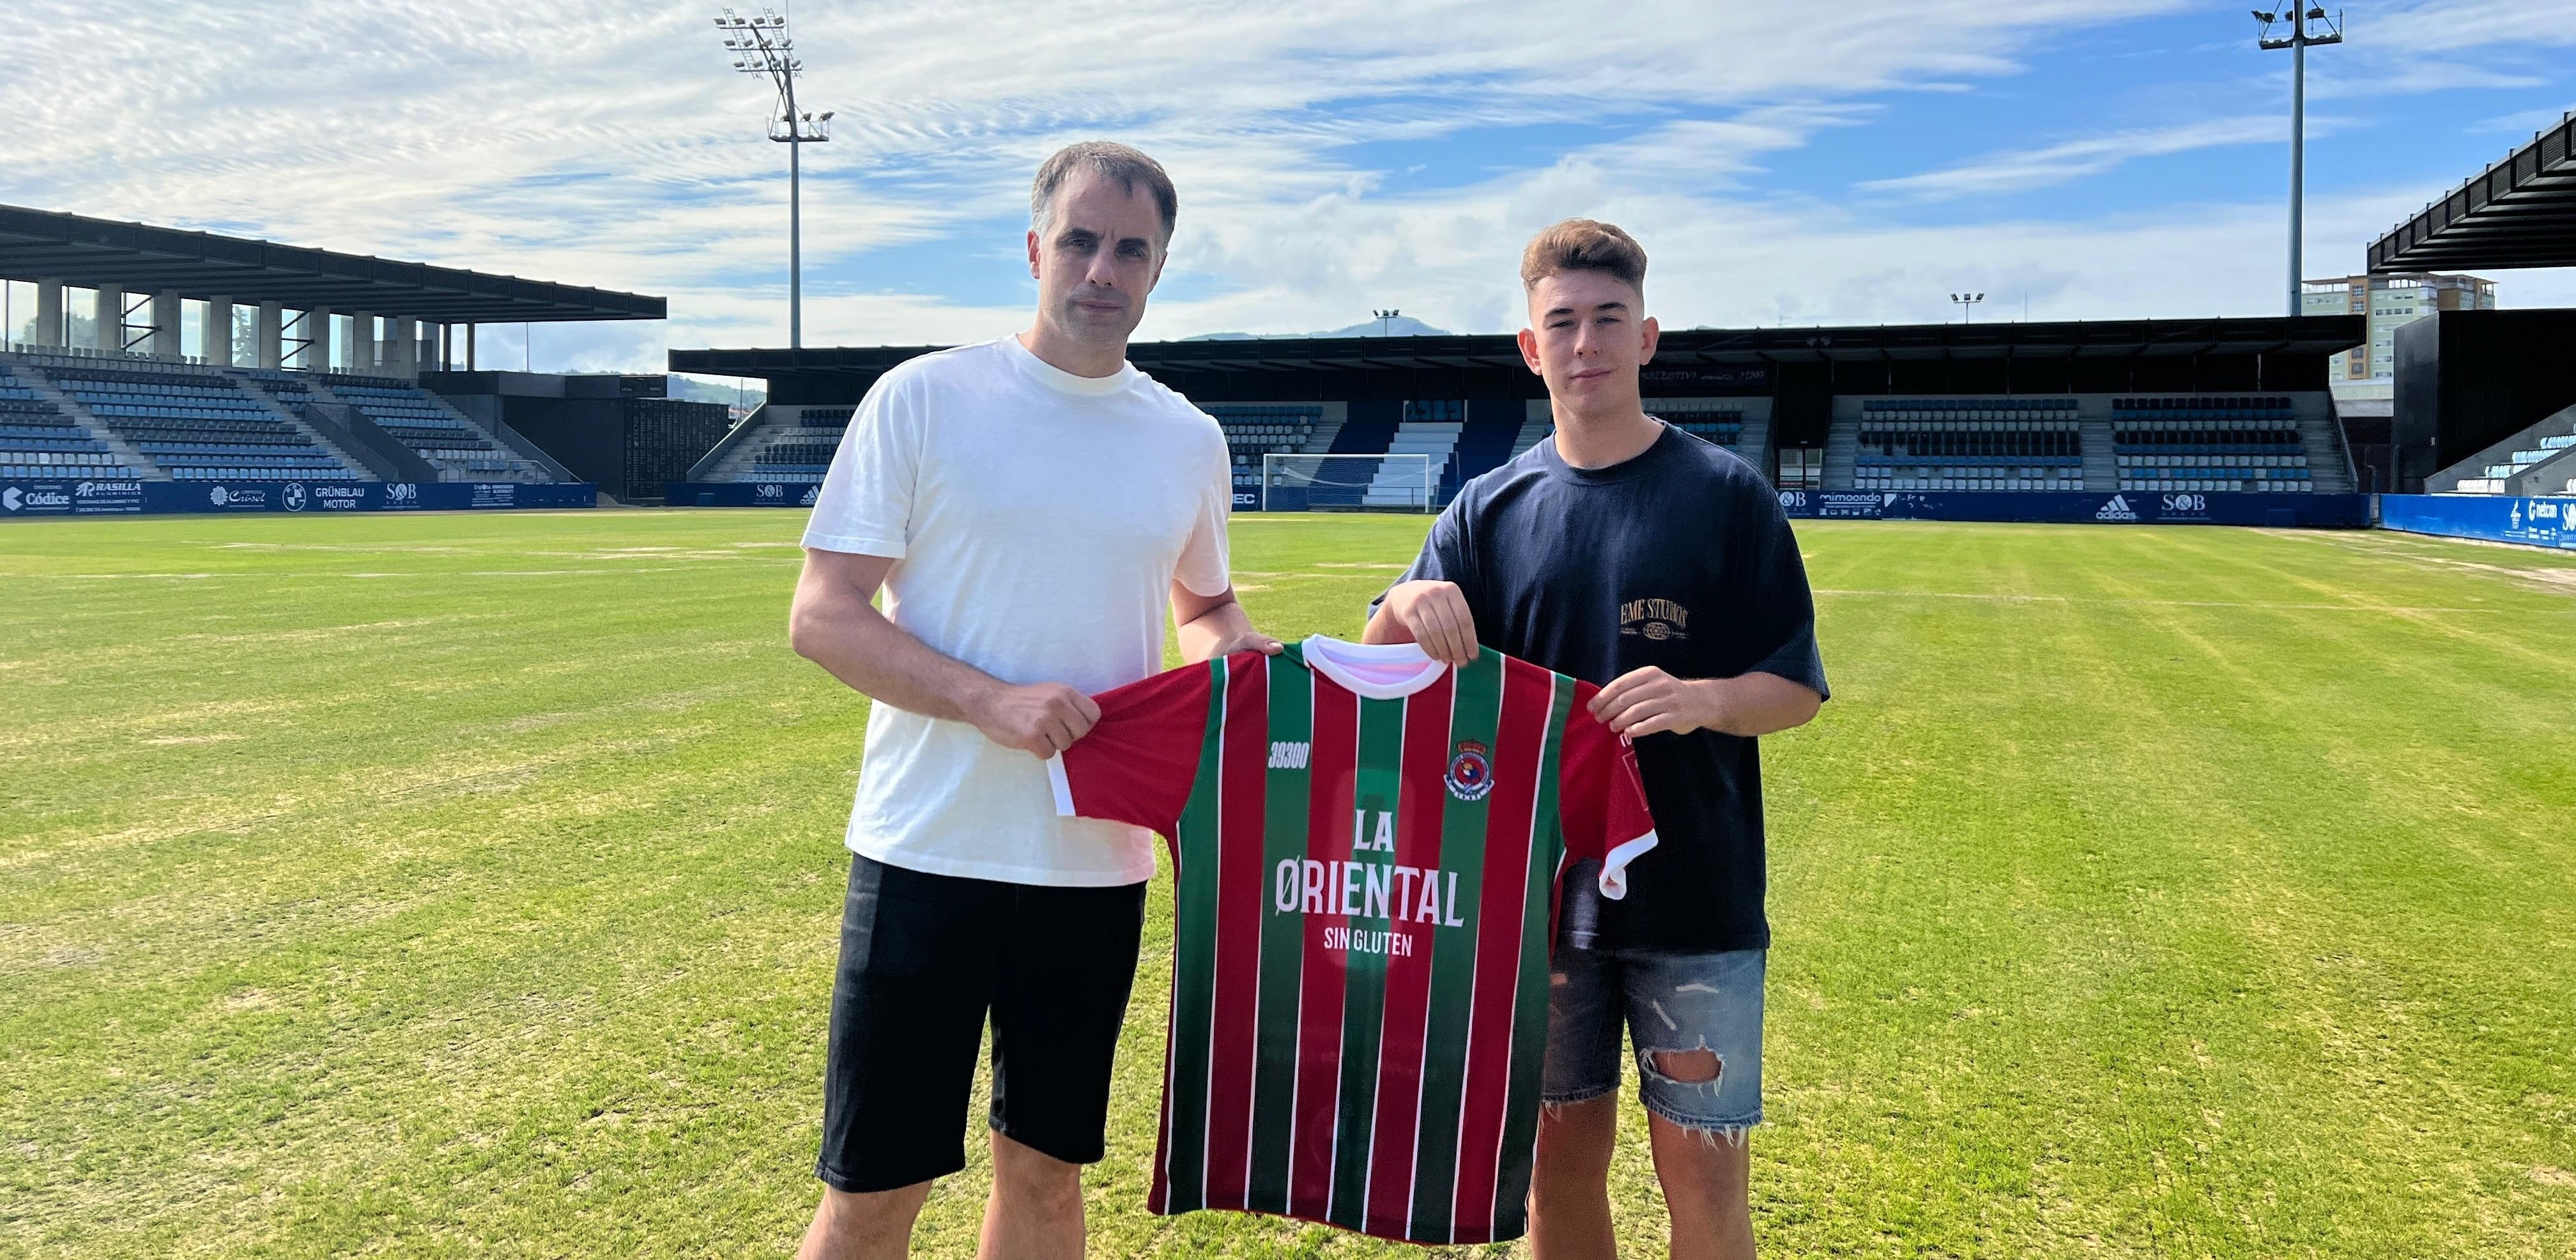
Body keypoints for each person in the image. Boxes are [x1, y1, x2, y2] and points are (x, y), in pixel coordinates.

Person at [785, 141, 1278, 1260]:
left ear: (1159, 271)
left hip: (1092, 867)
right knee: (870, 1195)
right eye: (1081, 241)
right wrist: (986, 701)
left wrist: (1270, 663)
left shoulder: (1186, 438)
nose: (1102, 269)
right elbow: (823, 613)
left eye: (1131, 250)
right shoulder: (924, 399)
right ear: (1033, 249)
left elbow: (1206, 611)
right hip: (928, 852)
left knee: (1049, 1183)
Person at [1361, 219, 1827, 1260]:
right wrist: (1404, 602)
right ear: (1530, 347)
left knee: (1703, 1182)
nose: (1586, 344)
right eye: (1560, 323)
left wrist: (1702, 699)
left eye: (1607, 319)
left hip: (1696, 904)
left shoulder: (1726, 498)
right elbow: (1380, 663)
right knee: (1555, 1177)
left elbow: (1794, 689)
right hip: (1535, 911)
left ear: (1647, 335)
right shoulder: (1486, 510)